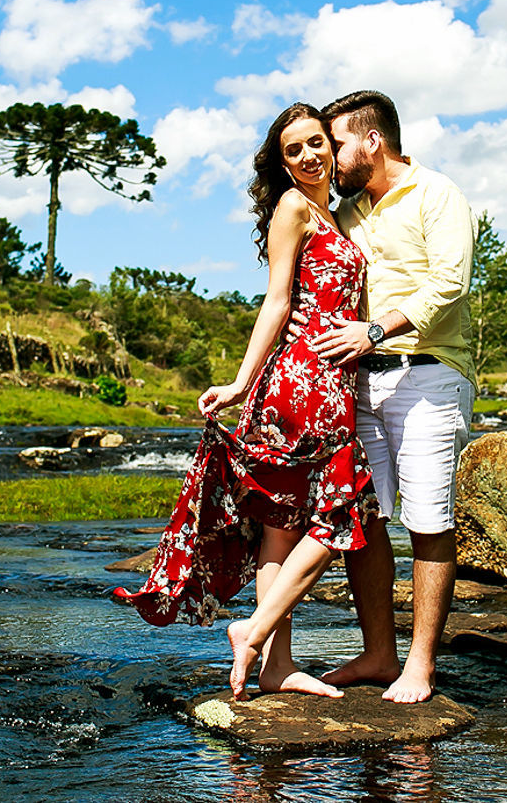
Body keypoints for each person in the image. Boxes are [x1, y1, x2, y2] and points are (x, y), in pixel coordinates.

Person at [112, 102, 379, 702]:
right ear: (281, 164)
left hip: (329, 381)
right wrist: (238, 383)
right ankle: (255, 631)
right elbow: (278, 301)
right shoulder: (293, 207)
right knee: (340, 515)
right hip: (304, 384)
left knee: (281, 529)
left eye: (317, 144)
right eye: (295, 150)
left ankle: (276, 665)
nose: (310, 156)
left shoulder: (333, 214)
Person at [305, 90, 476, 704]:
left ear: (372, 141)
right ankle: (379, 654)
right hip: (357, 380)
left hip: (427, 375)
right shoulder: (345, 209)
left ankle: (421, 666)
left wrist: (376, 329)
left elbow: (449, 285)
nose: (328, 155)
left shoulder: (439, 195)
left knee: (428, 519)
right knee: (365, 518)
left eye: (337, 142)